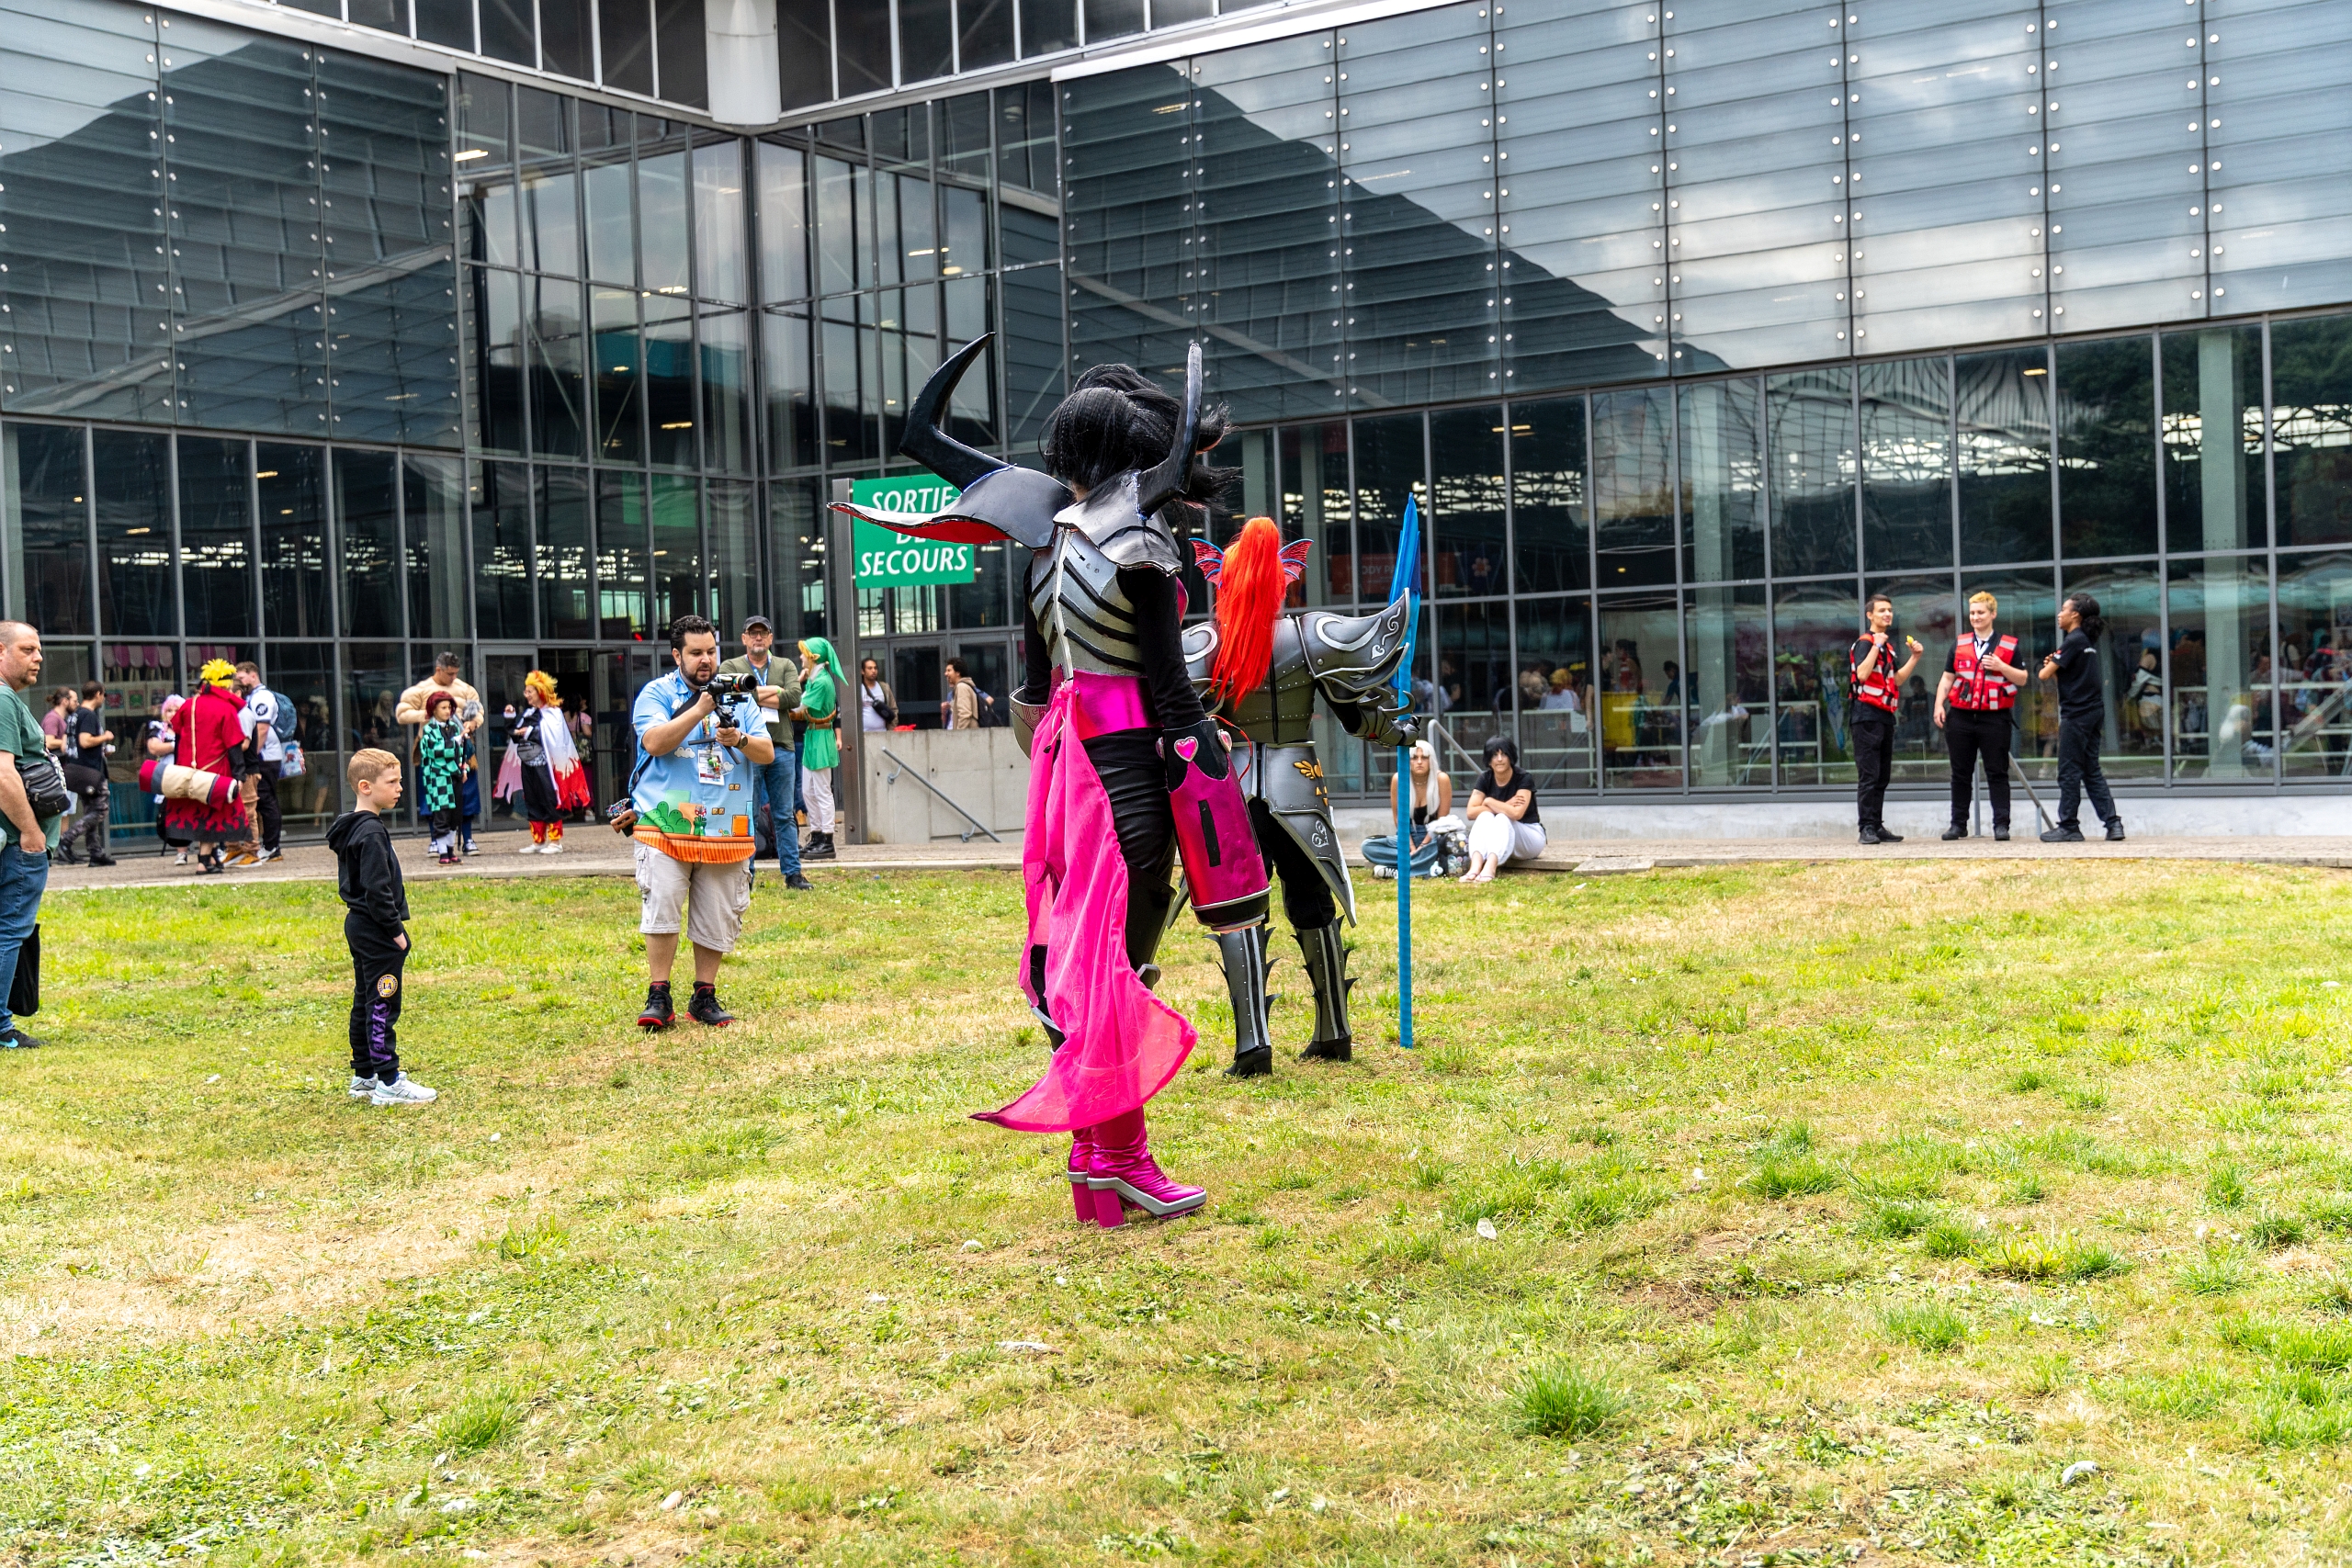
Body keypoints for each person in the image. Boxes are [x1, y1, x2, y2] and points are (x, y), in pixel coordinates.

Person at [831, 334, 1269, 1228]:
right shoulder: (1141, 543)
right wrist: (1209, 771)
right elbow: (1171, 691)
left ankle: (1093, 1156)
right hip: (1129, 777)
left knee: (1087, 957)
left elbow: (1034, 690)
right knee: (1118, 967)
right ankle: (1122, 1161)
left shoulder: (1045, 546)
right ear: (1138, 453)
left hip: (1066, 776)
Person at [1186, 513, 1415, 1075]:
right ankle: (1333, 1030)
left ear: (1226, 580)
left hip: (1234, 787)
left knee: (1240, 906)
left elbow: (1181, 714)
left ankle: (1253, 1045)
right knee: (1310, 897)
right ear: (1283, 577)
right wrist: (1398, 729)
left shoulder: (1208, 643)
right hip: (1298, 784)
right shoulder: (1309, 636)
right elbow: (1354, 713)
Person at [629, 615, 775, 1030]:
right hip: (665, 820)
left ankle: (703, 996)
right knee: (662, 904)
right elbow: (655, 742)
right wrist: (700, 709)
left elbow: (766, 752)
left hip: (725, 826)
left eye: (711, 651)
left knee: (718, 910)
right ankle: (659, 994)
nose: (706, 660)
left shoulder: (739, 694)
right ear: (677, 655)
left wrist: (740, 740)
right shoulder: (655, 693)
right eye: (696, 653)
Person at [327, 750, 436, 1105]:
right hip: (376, 930)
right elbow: (378, 889)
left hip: (358, 925)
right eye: (392, 782)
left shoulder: (354, 827)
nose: (400, 788)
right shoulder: (371, 832)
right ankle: (388, 1081)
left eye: (400, 781)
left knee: (365, 998)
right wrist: (396, 933)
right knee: (382, 1001)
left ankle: (365, 1075)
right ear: (365, 786)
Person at [0, 623, 62, 1049]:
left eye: (39, 649)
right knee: (9, 931)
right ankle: (1, 1027)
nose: (38, 657)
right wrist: (32, 832)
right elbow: (3, 774)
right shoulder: (3, 699)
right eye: (27, 649)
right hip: (16, 844)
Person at [716, 615, 809, 891]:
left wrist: (752, 691)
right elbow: (729, 694)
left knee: (785, 815)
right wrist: (774, 690)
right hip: (748, 749)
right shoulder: (731, 665)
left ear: (770, 638)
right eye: (752, 633)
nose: (758, 638)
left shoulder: (785, 664)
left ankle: (793, 874)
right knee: (749, 813)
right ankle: (747, 875)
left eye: (763, 634)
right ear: (744, 638)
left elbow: (794, 697)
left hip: (781, 747)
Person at [1935, 590, 2030, 840]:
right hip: (1961, 717)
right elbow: (1947, 678)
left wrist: (2001, 666)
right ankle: (1958, 824)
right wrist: (1938, 705)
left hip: (1995, 717)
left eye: (1980, 612)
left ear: (1992, 614)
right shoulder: (1960, 643)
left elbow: (2022, 678)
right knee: (1960, 773)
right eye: (1972, 613)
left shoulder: (2009, 645)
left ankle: (2001, 825)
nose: (1975, 617)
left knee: (1997, 772)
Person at [2040, 594, 2125, 842]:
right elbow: (2070, 679)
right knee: (2091, 769)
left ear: (2075, 615)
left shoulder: (2073, 640)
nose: (2059, 614)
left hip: (2076, 715)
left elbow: (2044, 674)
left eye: (2064, 609)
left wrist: (2049, 665)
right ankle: (2113, 824)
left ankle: (2068, 826)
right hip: (2093, 712)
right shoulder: (2086, 641)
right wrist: (2056, 669)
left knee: (2068, 771)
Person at [168, 660, 254, 875]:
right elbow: (234, 744)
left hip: (188, 770)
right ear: (225, 686)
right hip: (216, 769)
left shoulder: (189, 704)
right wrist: (239, 774)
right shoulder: (225, 708)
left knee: (199, 815)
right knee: (213, 815)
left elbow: (177, 733)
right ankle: (203, 861)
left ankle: (213, 856)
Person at [1849, 594, 1923, 846]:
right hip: (1865, 716)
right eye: (1882, 610)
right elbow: (1861, 674)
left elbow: (1896, 681)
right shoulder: (1865, 643)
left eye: (1890, 610)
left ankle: (1877, 825)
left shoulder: (1888, 647)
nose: (1887, 614)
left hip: (1884, 716)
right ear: (1870, 615)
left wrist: (1914, 658)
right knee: (1868, 775)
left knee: (1882, 776)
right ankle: (1866, 828)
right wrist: (1875, 646)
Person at [512, 671, 590, 853]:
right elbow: (516, 735)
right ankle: (538, 841)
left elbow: (553, 738)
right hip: (529, 764)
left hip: (548, 767)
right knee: (532, 799)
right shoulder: (529, 712)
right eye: (526, 691)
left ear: (540, 692)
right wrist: (510, 722)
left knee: (549, 799)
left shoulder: (553, 713)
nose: (526, 695)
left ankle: (555, 842)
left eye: (529, 691)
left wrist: (529, 732)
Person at [1363, 739, 1452, 880]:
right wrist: (1412, 847)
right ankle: (1425, 866)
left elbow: (1441, 821)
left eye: (1424, 758)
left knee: (1443, 847)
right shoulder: (1398, 779)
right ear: (1408, 760)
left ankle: (1399, 872)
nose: (1419, 762)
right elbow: (1399, 819)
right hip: (1407, 836)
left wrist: (1422, 846)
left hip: (1433, 837)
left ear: (1431, 760)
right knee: (1368, 846)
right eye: (1414, 758)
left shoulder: (1441, 779)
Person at [1462, 734, 1544, 883]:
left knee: (1502, 818)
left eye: (1504, 754)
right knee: (1485, 817)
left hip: (1530, 837)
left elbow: (1516, 814)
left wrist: (1490, 801)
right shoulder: (1485, 779)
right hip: (1500, 839)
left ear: (1511, 757)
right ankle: (1475, 867)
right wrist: (1506, 805)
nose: (1499, 759)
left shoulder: (1523, 778)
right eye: (1494, 755)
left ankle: (1490, 868)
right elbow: (1471, 812)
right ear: (1488, 759)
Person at [792, 637, 844, 860]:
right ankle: (816, 835)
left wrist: (793, 685)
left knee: (822, 791)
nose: (801, 657)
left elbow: (799, 705)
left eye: (804, 653)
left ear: (813, 657)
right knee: (808, 791)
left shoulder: (821, 681)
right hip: (814, 734)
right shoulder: (816, 679)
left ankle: (827, 839)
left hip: (821, 736)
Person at [231, 661, 287, 864]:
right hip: (261, 757)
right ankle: (269, 845)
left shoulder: (262, 697)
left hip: (265, 757)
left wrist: (250, 759)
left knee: (266, 800)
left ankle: (272, 847)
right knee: (262, 802)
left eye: (242, 677)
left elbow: (261, 730)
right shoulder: (252, 697)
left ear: (253, 675)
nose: (239, 681)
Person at [62, 681, 118, 866]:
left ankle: (95, 852)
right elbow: (85, 741)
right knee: (101, 809)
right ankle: (68, 838)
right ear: (98, 694)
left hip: (77, 769)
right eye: (103, 695)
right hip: (90, 771)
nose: (103, 699)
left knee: (90, 810)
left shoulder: (74, 715)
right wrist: (106, 737)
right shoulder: (88, 715)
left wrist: (101, 748)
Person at [417, 691, 466, 864]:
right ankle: (442, 852)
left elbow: (459, 753)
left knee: (455, 815)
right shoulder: (428, 729)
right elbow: (434, 750)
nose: (447, 711)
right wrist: (455, 742)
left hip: (454, 775)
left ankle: (451, 850)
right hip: (438, 777)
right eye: (443, 707)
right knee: (441, 813)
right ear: (434, 709)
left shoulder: (453, 727)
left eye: (449, 708)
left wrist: (463, 768)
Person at [858, 657, 896, 734]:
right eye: (870, 668)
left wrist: (891, 730)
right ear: (862, 671)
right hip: (863, 735)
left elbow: (893, 709)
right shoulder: (857, 689)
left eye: (875, 668)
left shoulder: (884, 688)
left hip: (883, 733)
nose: (873, 671)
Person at [943, 657, 982, 729]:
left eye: (949, 670)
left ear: (958, 673)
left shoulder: (962, 687)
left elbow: (965, 714)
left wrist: (958, 735)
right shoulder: (964, 686)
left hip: (966, 737)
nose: (946, 674)